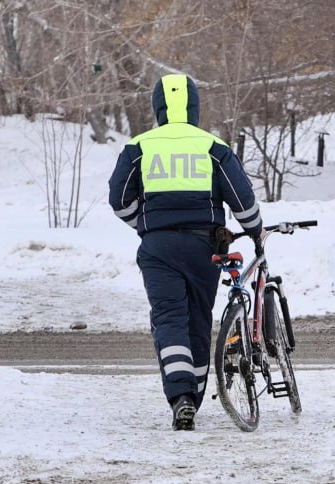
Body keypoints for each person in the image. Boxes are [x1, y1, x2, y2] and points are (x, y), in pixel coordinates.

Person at [107, 73, 262, 430]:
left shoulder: (139, 148)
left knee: (169, 318)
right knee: (197, 319)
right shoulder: (213, 147)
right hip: (202, 246)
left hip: (158, 248)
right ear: (194, 107)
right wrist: (255, 231)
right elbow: (242, 200)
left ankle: (181, 397)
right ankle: (194, 392)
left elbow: (119, 200)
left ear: (157, 108)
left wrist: (144, 224)